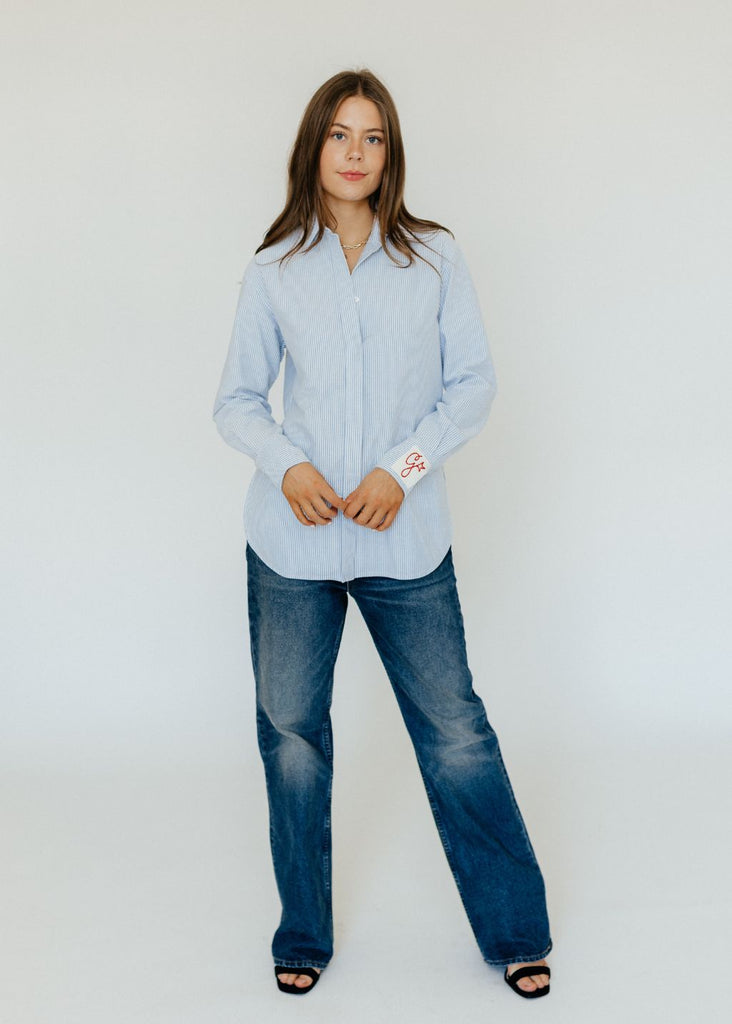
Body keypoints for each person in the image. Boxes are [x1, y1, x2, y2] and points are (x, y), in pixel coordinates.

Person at [212, 68, 553, 999]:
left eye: (372, 137)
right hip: (293, 546)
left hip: (406, 544)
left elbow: (472, 385)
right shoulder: (275, 267)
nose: (356, 153)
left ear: (390, 152)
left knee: (455, 733)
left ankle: (516, 931)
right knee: (292, 737)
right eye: (339, 134)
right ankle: (303, 934)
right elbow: (236, 400)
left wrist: (400, 471)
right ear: (313, 147)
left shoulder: (435, 258)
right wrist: (289, 466)